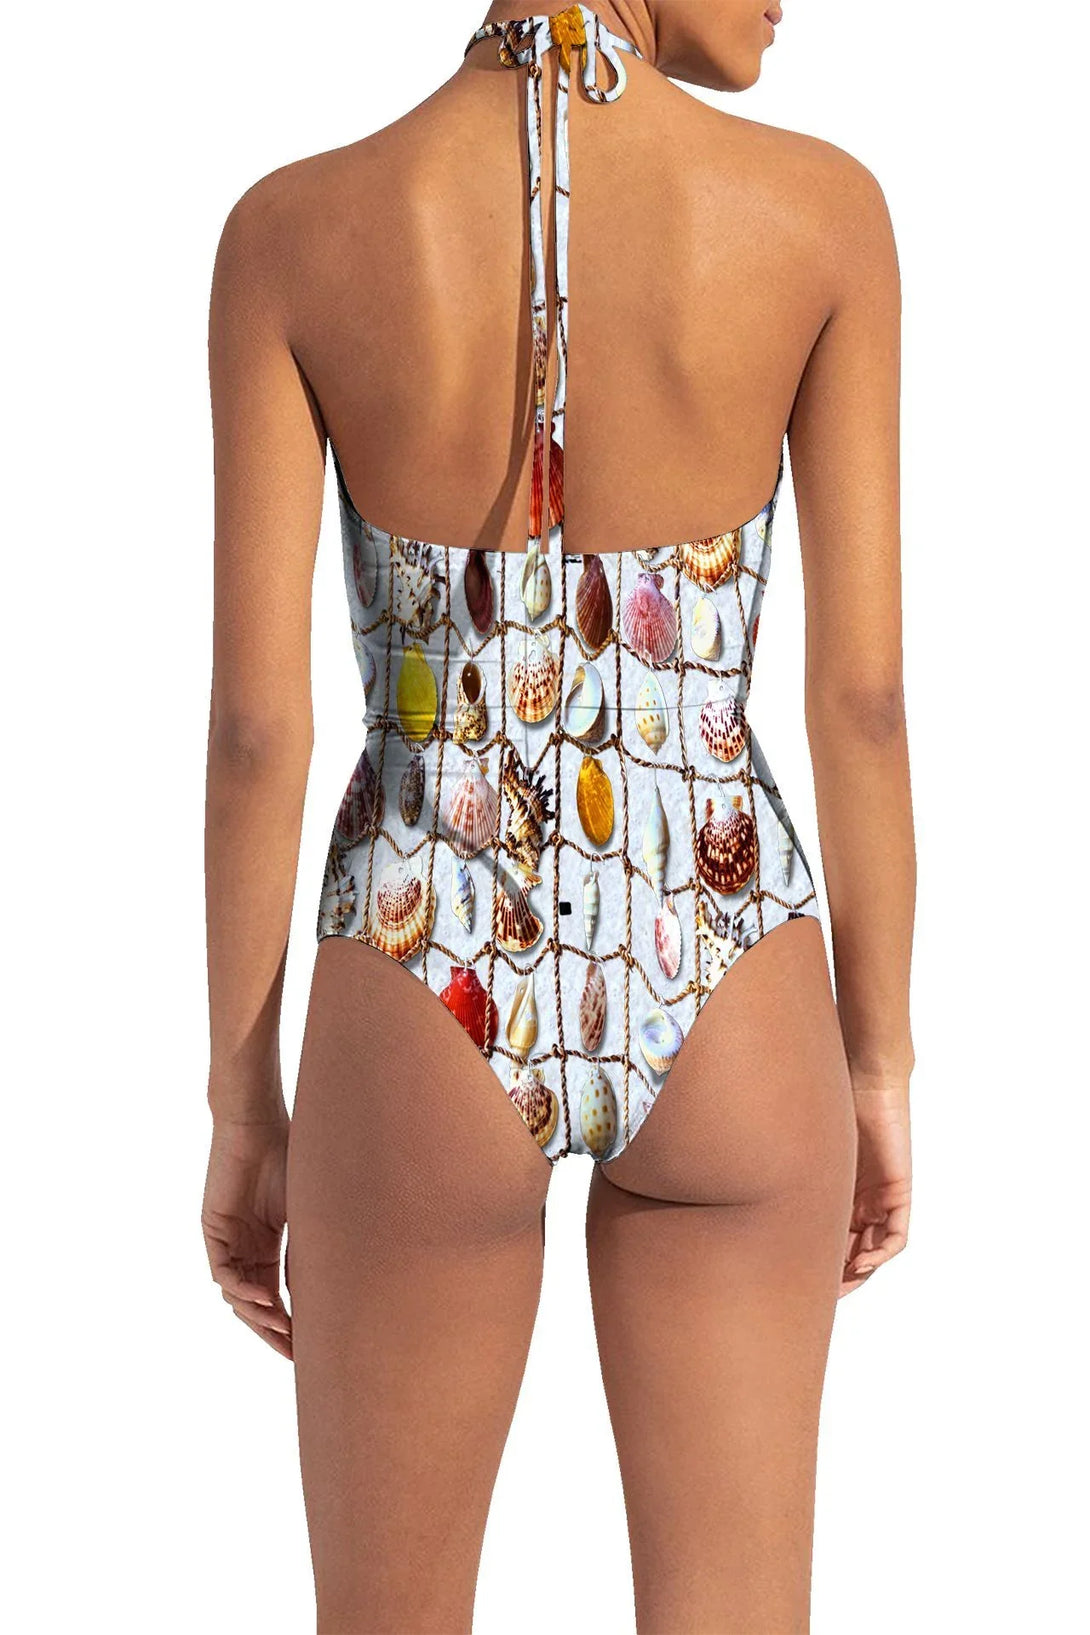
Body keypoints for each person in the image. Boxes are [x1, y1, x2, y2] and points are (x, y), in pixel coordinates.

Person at [202, 2, 915, 1628]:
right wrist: (873, 1059)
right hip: (727, 965)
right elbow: (862, 700)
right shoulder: (820, 214)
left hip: (418, 961)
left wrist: (245, 1106)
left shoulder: (294, 230)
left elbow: (254, 734)